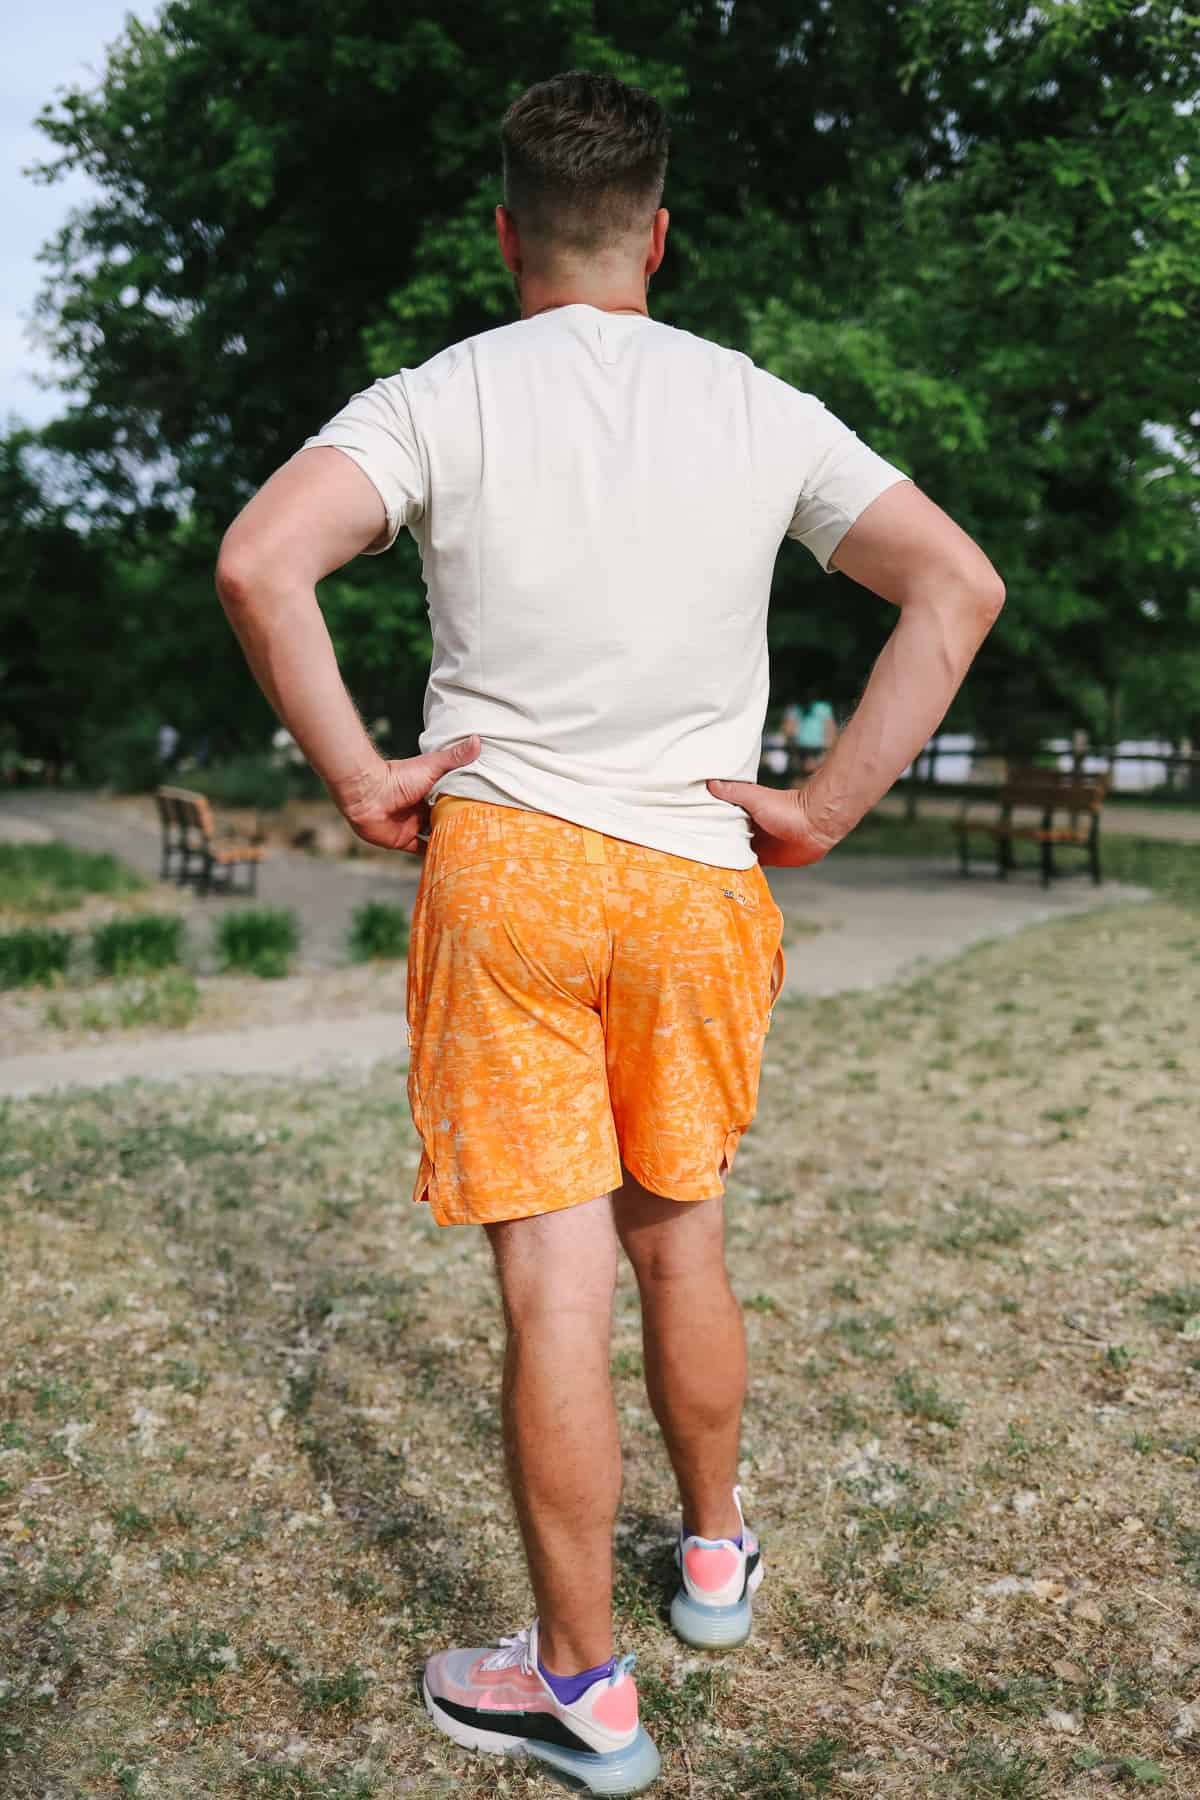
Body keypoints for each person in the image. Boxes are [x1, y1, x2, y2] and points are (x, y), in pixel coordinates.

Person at [214, 69, 1004, 1796]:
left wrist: (361, 776)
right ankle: (713, 1557)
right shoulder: (759, 407)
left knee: (553, 1284)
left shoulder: (441, 396)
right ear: (660, 234)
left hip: (511, 869)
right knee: (683, 1237)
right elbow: (960, 587)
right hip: (699, 877)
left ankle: (581, 1687)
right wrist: (825, 807)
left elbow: (265, 561)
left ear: (506, 235)